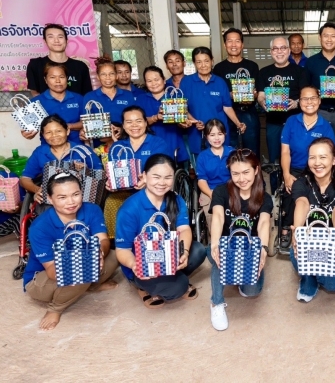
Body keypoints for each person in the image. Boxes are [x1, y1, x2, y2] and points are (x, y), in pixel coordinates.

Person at [23, 172, 118, 330]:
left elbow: (103, 240)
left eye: (76, 194)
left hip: (83, 262)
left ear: (82, 193)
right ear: (50, 199)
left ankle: (90, 285)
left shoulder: (92, 210)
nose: (71, 202)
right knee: (81, 272)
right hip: (41, 280)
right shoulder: (40, 226)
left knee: (115, 255)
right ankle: (56, 308)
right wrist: (86, 262)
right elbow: (52, 271)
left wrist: (99, 253)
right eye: (62, 197)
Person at [115, 154, 207, 308]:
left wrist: (183, 253)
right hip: (142, 263)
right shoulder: (129, 208)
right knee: (178, 288)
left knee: (198, 250)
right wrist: (135, 265)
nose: (162, 183)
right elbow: (122, 250)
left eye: (167, 177)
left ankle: (171, 278)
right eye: (156, 177)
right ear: (144, 176)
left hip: (167, 254)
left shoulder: (176, 199)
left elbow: (184, 229)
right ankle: (142, 285)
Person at [208, 149, 272, 330]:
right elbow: (218, 217)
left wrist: (263, 249)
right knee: (218, 256)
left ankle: (238, 275)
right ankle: (216, 303)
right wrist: (215, 244)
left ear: (256, 170)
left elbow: (264, 222)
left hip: (248, 251)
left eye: (246, 172)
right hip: (225, 245)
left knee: (252, 291)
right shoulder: (221, 191)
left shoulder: (263, 197)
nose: (241, 178)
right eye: (235, 173)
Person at [290, 138, 335, 302]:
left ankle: (314, 271)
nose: (317, 163)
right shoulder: (301, 182)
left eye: (323, 157)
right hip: (309, 235)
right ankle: (308, 279)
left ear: (334, 160)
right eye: (312, 157)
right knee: (296, 253)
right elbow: (302, 203)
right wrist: (297, 232)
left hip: (334, 234)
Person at [280, 86, 335, 250]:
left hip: (318, 170)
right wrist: (286, 175)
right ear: (299, 102)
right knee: (291, 188)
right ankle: (287, 228)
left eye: (313, 98)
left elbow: (330, 156)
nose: (309, 102)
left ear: (319, 101)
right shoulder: (291, 122)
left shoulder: (325, 126)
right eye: (305, 99)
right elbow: (285, 151)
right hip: (296, 168)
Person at [257, 36, 308, 192]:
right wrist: (262, 102)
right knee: (274, 161)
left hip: (296, 123)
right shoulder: (264, 72)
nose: (279, 52)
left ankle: (297, 190)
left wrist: (297, 103)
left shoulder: (301, 72)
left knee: (297, 158)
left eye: (283, 48)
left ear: (289, 50)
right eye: (275, 49)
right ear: (271, 52)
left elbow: (306, 95)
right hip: (273, 122)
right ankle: (275, 193)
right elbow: (260, 95)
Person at [179, 46, 246, 159]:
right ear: (194, 64)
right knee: (201, 166)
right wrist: (194, 121)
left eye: (206, 61)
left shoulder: (220, 82)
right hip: (197, 133)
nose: (203, 65)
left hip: (219, 133)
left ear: (212, 61)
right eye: (199, 62)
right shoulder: (186, 82)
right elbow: (182, 108)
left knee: (223, 164)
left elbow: (227, 107)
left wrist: (238, 123)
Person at [20, 115, 102, 204]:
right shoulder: (40, 152)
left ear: (67, 131)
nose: (54, 135)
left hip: (81, 199)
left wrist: (85, 170)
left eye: (58, 131)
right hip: (51, 200)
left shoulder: (83, 150)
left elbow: (100, 175)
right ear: (43, 135)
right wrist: (37, 190)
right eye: (48, 132)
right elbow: (24, 178)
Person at [305, 22, 335, 154]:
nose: (329, 39)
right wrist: (315, 94)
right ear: (320, 38)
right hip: (318, 112)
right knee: (317, 149)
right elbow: (306, 88)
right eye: (325, 36)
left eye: (333, 36)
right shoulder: (311, 62)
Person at [213, 28, 261, 155]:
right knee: (230, 152)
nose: (233, 45)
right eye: (230, 41)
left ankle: (254, 175)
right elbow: (217, 95)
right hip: (228, 115)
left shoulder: (252, 66)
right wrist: (229, 95)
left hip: (249, 113)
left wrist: (254, 94)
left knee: (251, 152)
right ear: (225, 45)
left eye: (237, 41)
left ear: (242, 44)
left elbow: (258, 91)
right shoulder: (218, 68)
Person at [136, 66, 187, 164]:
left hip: (173, 143)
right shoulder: (140, 99)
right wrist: (156, 117)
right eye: (149, 81)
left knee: (176, 175)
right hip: (150, 147)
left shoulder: (175, 96)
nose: (153, 83)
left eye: (156, 79)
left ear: (164, 80)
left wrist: (183, 122)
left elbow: (182, 121)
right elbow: (138, 122)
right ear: (146, 83)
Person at [27, 23, 92, 96]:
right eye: (51, 37)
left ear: (67, 41)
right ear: (45, 41)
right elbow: (35, 94)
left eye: (60, 37)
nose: (56, 40)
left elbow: (87, 95)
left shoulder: (80, 66)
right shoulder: (36, 65)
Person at [28, 61, 84, 144]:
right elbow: (30, 128)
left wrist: (68, 126)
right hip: (49, 149)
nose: (58, 81)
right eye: (52, 77)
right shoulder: (35, 102)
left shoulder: (79, 98)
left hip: (77, 147)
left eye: (61, 77)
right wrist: (28, 134)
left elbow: (87, 122)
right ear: (46, 80)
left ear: (67, 78)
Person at [196, 119, 235, 231]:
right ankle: (215, 245)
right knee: (215, 224)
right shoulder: (202, 157)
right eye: (212, 135)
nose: (216, 138)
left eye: (220, 134)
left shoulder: (232, 152)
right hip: (210, 191)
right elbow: (201, 180)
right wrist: (211, 194)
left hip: (231, 190)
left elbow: (238, 175)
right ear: (206, 137)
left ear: (225, 135)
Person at [82, 57, 135, 125]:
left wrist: (121, 129)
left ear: (116, 76)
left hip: (125, 134)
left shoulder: (128, 95)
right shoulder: (89, 97)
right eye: (103, 74)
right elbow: (87, 123)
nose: (108, 77)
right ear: (98, 77)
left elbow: (133, 119)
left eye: (111, 74)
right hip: (101, 135)